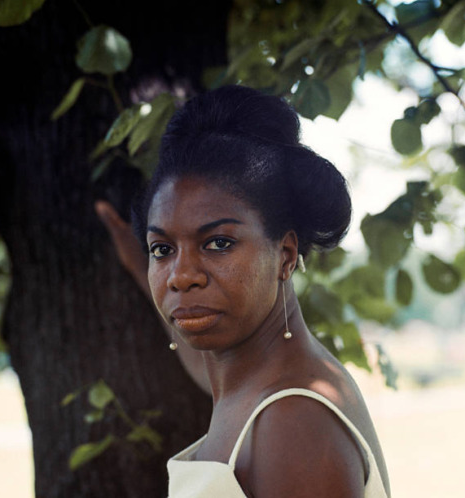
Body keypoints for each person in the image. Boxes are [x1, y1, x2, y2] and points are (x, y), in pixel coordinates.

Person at [96, 85, 391, 497]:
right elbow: (205, 368)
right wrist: (135, 260)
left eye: (217, 243)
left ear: (286, 254)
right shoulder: (251, 379)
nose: (181, 276)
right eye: (162, 249)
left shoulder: (292, 419)